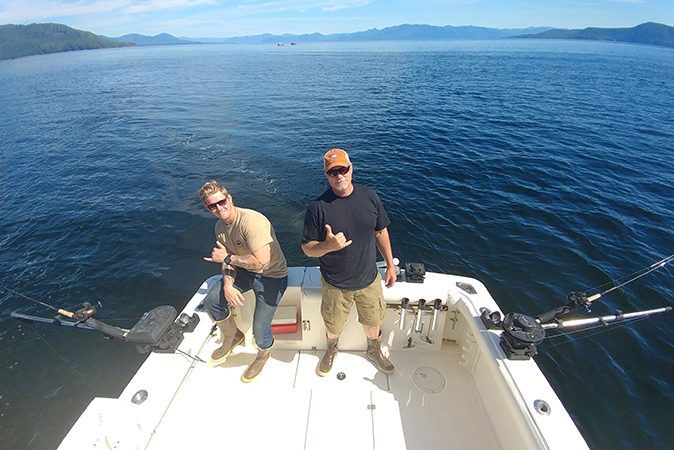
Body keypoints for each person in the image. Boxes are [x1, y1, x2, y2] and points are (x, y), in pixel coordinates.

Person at [301, 148, 396, 376]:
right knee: (333, 326)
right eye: (333, 172)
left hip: (369, 279)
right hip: (335, 284)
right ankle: (331, 350)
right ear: (326, 175)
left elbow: (380, 231)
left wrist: (390, 264)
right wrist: (328, 246)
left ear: (351, 169)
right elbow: (307, 249)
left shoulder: (369, 196)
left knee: (373, 323)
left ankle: (373, 351)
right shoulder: (318, 208)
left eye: (343, 169)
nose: (339, 176)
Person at [200, 180, 288, 383]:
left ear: (229, 198)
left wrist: (227, 259)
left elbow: (261, 263)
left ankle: (264, 353)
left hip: (272, 276)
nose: (219, 208)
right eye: (212, 205)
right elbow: (227, 259)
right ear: (207, 208)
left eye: (221, 202)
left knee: (259, 330)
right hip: (245, 272)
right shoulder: (219, 227)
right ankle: (233, 336)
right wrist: (228, 284)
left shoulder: (251, 221)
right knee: (212, 301)